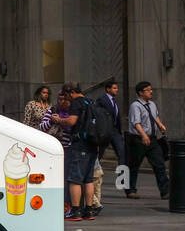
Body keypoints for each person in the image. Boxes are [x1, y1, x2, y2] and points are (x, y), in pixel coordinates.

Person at [42, 85, 96, 221]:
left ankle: (76, 211)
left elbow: (72, 121)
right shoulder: (89, 101)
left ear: (71, 92)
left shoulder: (76, 103)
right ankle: (88, 210)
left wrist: (58, 120)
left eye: (66, 96)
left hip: (78, 145)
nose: (65, 100)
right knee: (88, 179)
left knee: (74, 179)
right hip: (91, 143)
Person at [126, 80, 169, 199]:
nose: (151, 92)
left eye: (151, 89)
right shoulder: (135, 106)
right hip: (138, 139)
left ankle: (165, 191)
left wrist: (160, 125)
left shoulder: (152, 104)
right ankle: (130, 190)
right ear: (141, 93)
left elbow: (155, 117)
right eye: (148, 90)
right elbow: (136, 123)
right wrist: (144, 135)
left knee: (159, 164)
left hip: (153, 139)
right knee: (134, 165)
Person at [96, 79, 126, 176]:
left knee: (122, 152)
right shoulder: (102, 100)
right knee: (99, 153)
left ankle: (122, 177)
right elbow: (99, 115)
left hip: (115, 131)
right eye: (114, 88)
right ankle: (93, 172)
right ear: (108, 89)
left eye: (117, 88)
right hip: (105, 131)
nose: (117, 90)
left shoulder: (114, 101)